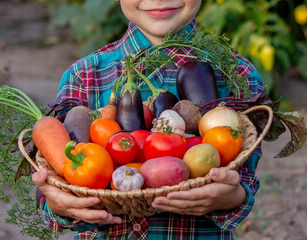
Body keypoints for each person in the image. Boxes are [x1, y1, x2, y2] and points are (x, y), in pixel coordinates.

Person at [31, 0, 265, 238]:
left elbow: (246, 179)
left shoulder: (238, 75)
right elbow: (56, 180)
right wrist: (59, 206)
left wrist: (231, 198)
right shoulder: (84, 76)